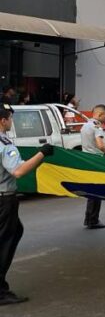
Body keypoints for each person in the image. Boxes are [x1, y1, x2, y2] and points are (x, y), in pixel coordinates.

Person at [0, 104, 52, 306]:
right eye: (11, 118)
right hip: (4, 199)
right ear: (4, 120)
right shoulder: (4, 144)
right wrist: (42, 154)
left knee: (15, 231)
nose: (12, 122)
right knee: (5, 240)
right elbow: (19, 171)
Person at [81, 104, 105, 229]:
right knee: (97, 191)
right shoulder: (97, 126)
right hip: (96, 161)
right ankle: (93, 220)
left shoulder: (85, 126)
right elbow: (100, 146)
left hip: (86, 160)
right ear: (100, 114)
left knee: (92, 191)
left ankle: (89, 218)